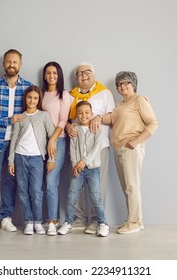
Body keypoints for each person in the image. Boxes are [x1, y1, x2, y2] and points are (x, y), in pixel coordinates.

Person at [0, 49, 32, 233]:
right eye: (8, 62)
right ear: (4, 64)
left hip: (18, 143)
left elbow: (32, 113)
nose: (12, 65)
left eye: (15, 62)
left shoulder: (28, 87)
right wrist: (8, 120)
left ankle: (6, 217)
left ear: (20, 64)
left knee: (11, 180)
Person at [102, 71, 158, 234]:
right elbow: (112, 119)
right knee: (127, 186)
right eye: (119, 84)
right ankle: (135, 220)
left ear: (133, 84)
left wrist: (137, 140)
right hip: (118, 147)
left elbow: (153, 124)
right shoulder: (119, 105)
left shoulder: (139, 100)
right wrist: (97, 117)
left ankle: (133, 222)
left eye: (126, 83)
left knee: (132, 186)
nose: (122, 86)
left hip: (131, 148)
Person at [66, 62, 115, 234]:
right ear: (76, 77)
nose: (84, 75)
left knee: (97, 186)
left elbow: (114, 116)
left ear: (93, 74)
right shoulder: (71, 95)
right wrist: (67, 126)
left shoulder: (104, 93)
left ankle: (96, 220)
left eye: (87, 72)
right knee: (76, 181)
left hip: (98, 146)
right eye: (79, 73)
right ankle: (79, 218)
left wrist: (100, 117)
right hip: (77, 146)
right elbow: (67, 118)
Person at [8, 86, 56, 235]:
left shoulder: (44, 116)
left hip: (36, 158)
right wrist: (11, 161)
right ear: (25, 99)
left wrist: (51, 159)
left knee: (36, 191)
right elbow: (14, 140)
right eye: (29, 97)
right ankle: (28, 222)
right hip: (20, 156)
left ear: (39, 100)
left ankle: (38, 222)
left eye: (35, 98)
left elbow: (52, 139)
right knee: (22, 191)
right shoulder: (20, 117)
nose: (32, 100)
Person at [58, 101, 109, 237]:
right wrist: (76, 165)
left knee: (96, 197)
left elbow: (96, 149)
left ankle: (102, 223)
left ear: (92, 114)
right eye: (80, 113)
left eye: (87, 112)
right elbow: (73, 149)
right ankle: (68, 222)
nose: (84, 115)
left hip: (93, 169)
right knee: (72, 195)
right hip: (78, 169)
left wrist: (83, 161)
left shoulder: (97, 130)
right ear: (76, 115)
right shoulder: (75, 130)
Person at [41, 62, 73, 236]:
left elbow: (63, 120)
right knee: (43, 181)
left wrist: (52, 140)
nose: (51, 76)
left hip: (58, 140)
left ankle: (53, 221)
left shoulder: (64, 95)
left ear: (59, 75)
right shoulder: (41, 94)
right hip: (40, 142)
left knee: (51, 180)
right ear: (44, 76)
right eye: (48, 73)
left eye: (54, 73)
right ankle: (48, 219)